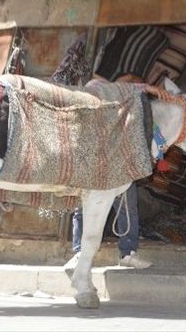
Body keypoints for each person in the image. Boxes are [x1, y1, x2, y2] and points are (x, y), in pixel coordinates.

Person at [65, 72, 152, 274]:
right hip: (91, 167)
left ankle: (128, 253)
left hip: (119, 168)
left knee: (128, 210)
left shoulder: (125, 108)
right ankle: (79, 253)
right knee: (81, 209)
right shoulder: (93, 102)